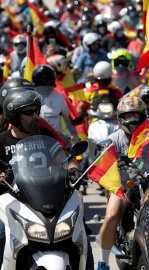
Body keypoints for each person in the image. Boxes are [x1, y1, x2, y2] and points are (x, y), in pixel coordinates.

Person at [0, 86, 94, 270]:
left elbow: (65, 157)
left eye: (37, 111)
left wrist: (74, 170)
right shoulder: (2, 141)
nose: (35, 117)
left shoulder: (46, 135)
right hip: (11, 201)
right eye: (29, 113)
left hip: (47, 197)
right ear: (13, 116)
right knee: (1, 234)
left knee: (79, 234)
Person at [96, 96, 148, 270]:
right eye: (128, 116)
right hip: (122, 188)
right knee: (112, 216)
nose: (132, 120)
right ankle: (103, 262)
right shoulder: (113, 140)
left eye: (136, 116)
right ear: (120, 119)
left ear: (144, 117)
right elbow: (100, 162)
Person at [31, 64, 79, 144]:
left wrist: (74, 134)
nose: (44, 85)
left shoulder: (59, 98)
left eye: (46, 81)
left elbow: (68, 121)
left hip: (56, 140)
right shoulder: (30, 99)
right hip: (36, 140)